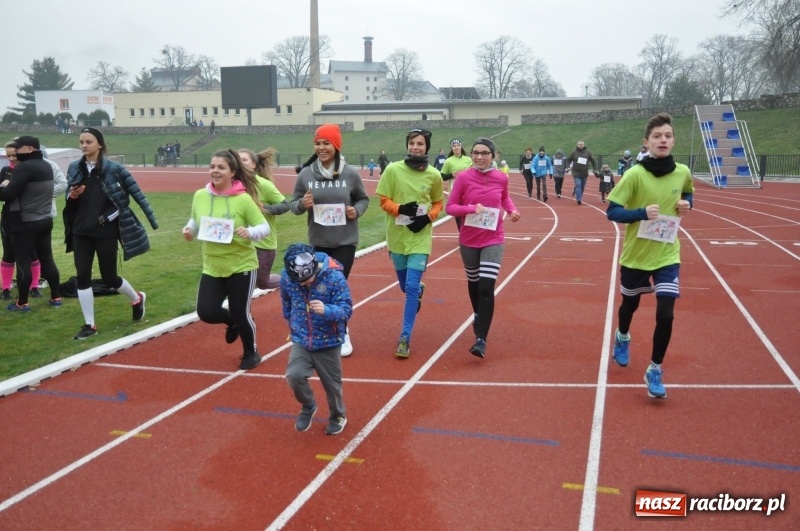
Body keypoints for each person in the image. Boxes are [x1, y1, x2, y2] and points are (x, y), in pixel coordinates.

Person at [606, 112, 694, 399]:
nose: (663, 140)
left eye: (667, 135)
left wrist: (687, 203)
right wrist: (640, 213)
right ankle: (622, 335)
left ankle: (655, 369)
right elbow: (612, 212)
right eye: (657, 136)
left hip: (668, 254)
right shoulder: (634, 175)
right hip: (636, 255)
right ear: (647, 142)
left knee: (666, 314)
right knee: (629, 305)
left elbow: (688, 194)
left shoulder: (682, 172)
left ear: (673, 141)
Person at [64, 128, 158, 339]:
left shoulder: (115, 169)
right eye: (81, 142)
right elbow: (68, 201)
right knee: (82, 276)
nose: (84, 145)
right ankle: (89, 325)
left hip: (105, 231)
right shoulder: (74, 167)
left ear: (99, 144)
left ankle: (137, 299)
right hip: (80, 231)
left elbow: (125, 202)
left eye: (88, 142)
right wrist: (72, 195)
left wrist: (106, 218)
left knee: (109, 277)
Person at [182, 149, 270, 370]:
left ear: (232, 172)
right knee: (206, 312)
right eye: (212, 166)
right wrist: (189, 229)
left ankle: (251, 352)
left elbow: (264, 227)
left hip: (241, 265)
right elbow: (195, 220)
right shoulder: (200, 195)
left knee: (241, 312)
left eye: (221, 167)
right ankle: (232, 322)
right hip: (212, 265)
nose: (215, 171)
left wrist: (250, 232)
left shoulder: (243, 199)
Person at [287, 124, 369, 357]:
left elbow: (363, 199)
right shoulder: (306, 174)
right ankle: (322, 331)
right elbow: (293, 205)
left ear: (336, 146)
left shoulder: (350, 173)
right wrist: (302, 204)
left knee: (336, 286)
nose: (321, 148)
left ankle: (342, 332)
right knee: (318, 290)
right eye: (318, 143)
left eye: (326, 143)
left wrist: (356, 210)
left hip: (345, 241)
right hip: (318, 242)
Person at [444, 138, 520, 358]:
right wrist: (469, 209)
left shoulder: (501, 177)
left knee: (486, 287)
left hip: (493, 238)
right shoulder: (463, 177)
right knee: (474, 282)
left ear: (493, 155)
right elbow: (450, 207)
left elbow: (505, 198)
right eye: (475, 152)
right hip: (468, 239)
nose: (479, 157)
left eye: (484, 153)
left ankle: (481, 339)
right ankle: (478, 314)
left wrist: (512, 211)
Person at [376, 128, 444, 358]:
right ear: (407, 145)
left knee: (411, 288)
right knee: (406, 287)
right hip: (397, 237)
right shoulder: (392, 170)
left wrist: (427, 218)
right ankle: (418, 290)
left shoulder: (434, 175)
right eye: (412, 143)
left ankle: (404, 337)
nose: (416, 147)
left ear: (426, 147)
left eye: (420, 144)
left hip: (420, 237)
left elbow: (438, 203)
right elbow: (383, 200)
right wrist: (400, 209)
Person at [281, 243, 352, 435]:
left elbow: (346, 309)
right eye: (298, 281)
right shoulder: (287, 278)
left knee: (332, 385)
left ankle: (338, 415)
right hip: (302, 339)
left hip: (329, 341)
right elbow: (286, 299)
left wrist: (327, 310)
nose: (303, 284)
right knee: (294, 376)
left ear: (313, 267)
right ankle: (308, 405)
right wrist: (291, 319)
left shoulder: (334, 277)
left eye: (307, 280)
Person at [0, 136, 62, 310]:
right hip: (45, 219)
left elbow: (6, 195)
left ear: (29, 149)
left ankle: (22, 302)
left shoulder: (24, 167)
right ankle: (56, 297)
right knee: (47, 259)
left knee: (23, 262)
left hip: (24, 222)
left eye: (18, 148)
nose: (15, 151)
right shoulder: (46, 165)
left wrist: (3, 185)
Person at [238, 147, 285, 291]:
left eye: (244, 159)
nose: (240, 162)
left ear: (254, 164)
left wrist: (264, 208)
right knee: (242, 283)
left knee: (263, 283)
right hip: (240, 242)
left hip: (263, 244)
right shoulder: (230, 185)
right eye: (237, 160)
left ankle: (289, 280)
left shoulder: (263, 184)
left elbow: (285, 205)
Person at [565, 140, 597, 206]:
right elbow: (568, 160)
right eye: (579, 144)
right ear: (577, 145)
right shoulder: (574, 152)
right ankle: (579, 198)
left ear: (584, 145)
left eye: (582, 144)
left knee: (582, 186)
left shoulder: (588, 152)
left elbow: (593, 161)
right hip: (576, 172)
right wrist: (568, 167)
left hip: (584, 173)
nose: (580, 145)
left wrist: (595, 169)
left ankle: (579, 194)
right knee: (578, 184)